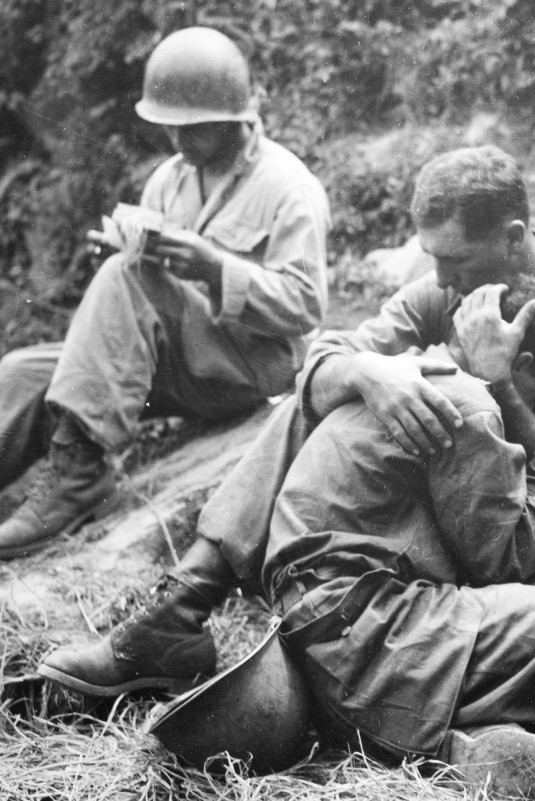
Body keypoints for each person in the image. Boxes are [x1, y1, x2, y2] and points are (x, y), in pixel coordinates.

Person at [41, 145, 535, 793]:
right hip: (478, 512)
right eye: (433, 261)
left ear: (513, 237)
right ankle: (182, 604)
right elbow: (320, 366)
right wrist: (365, 370)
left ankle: (458, 744)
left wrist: (497, 388)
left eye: (457, 261)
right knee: (320, 401)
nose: (443, 283)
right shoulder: (445, 293)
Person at [0, 26, 330, 559]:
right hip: (178, 360)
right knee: (23, 370)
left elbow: (306, 306)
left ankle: (79, 474)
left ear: (232, 119)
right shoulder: (171, 179)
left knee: (126, 281)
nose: (177, 142)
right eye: (169, 130)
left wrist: (216, 268)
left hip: (250, 366)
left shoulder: (288, 187)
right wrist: (122, 254)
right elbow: (145, 285)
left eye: (191, 129)